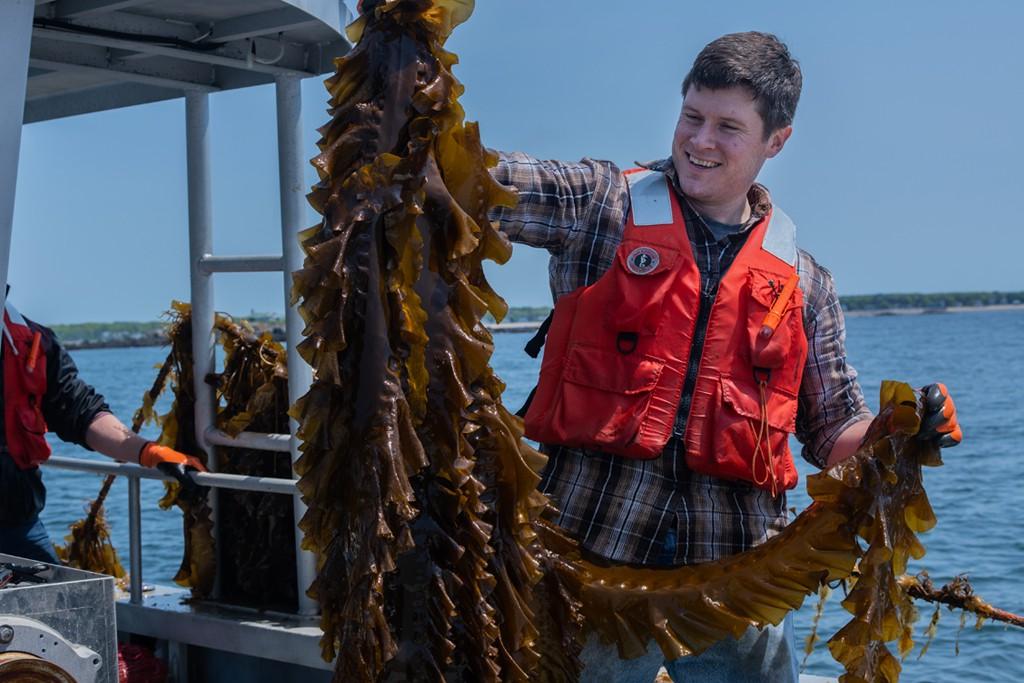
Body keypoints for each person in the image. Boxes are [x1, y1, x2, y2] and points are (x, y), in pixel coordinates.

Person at [490, 32, 962, 683]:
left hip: (741, 589)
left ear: (777, 140)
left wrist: (903, 428)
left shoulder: (803, 279)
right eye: (692, 116)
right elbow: (490, 182)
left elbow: (833, 431)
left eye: (728, 127)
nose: (699, 141)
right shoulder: (604, 205)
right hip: (591, 575)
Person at [0, 297, 205, 565]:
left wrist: (152, 453)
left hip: (16, 526)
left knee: (62, 603)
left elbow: (82, 413)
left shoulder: (31, 341)